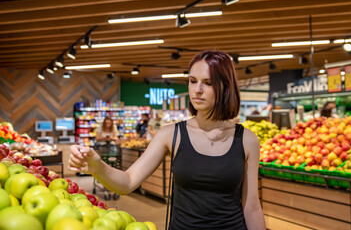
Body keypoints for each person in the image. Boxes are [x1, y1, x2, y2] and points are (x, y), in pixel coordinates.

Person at [69, 51, 266, 230]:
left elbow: (252, 207)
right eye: (192, 80)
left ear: (225, 86)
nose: (197, 89)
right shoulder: (171, 134)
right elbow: (128, 182)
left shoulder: (247, 140)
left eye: (208, 82)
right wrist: (96, 166)